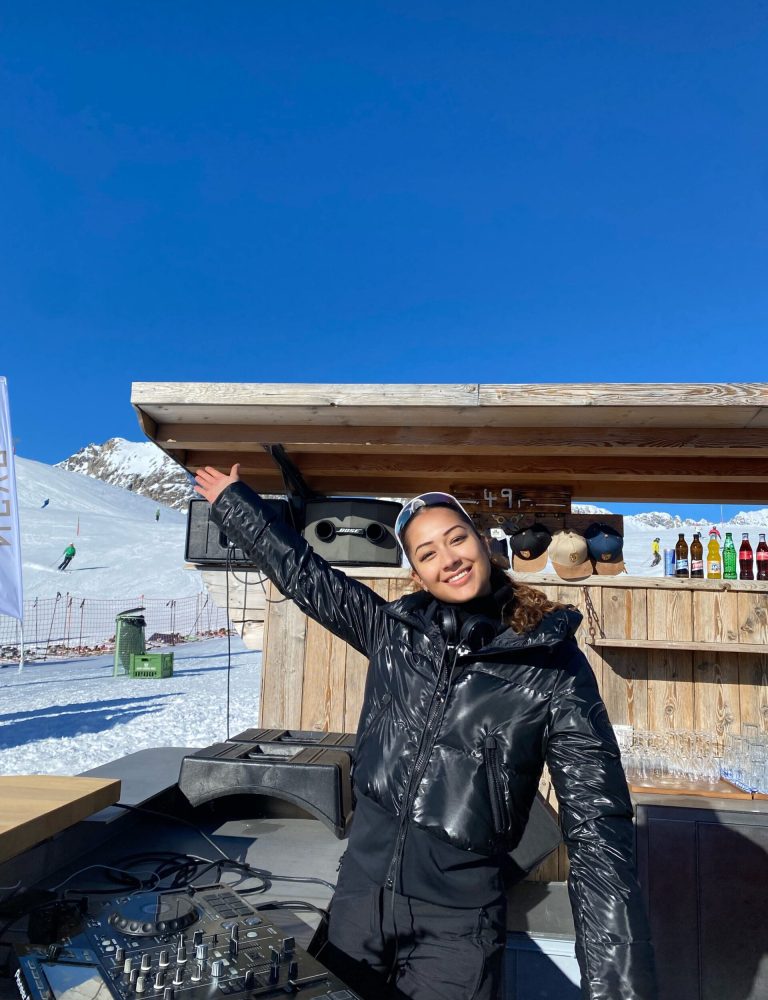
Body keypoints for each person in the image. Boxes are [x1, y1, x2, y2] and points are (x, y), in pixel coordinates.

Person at [194, 466, 657, 1000]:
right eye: (428, 552)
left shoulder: (552, 666)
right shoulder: (394, 633)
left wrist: (620, 988)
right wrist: (237, 504)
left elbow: (599, 829)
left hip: (457, 928)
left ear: (482, 542)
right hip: (358, 899)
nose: (449, 559)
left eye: (457, 538)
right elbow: (305, 577)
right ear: (416, 572)